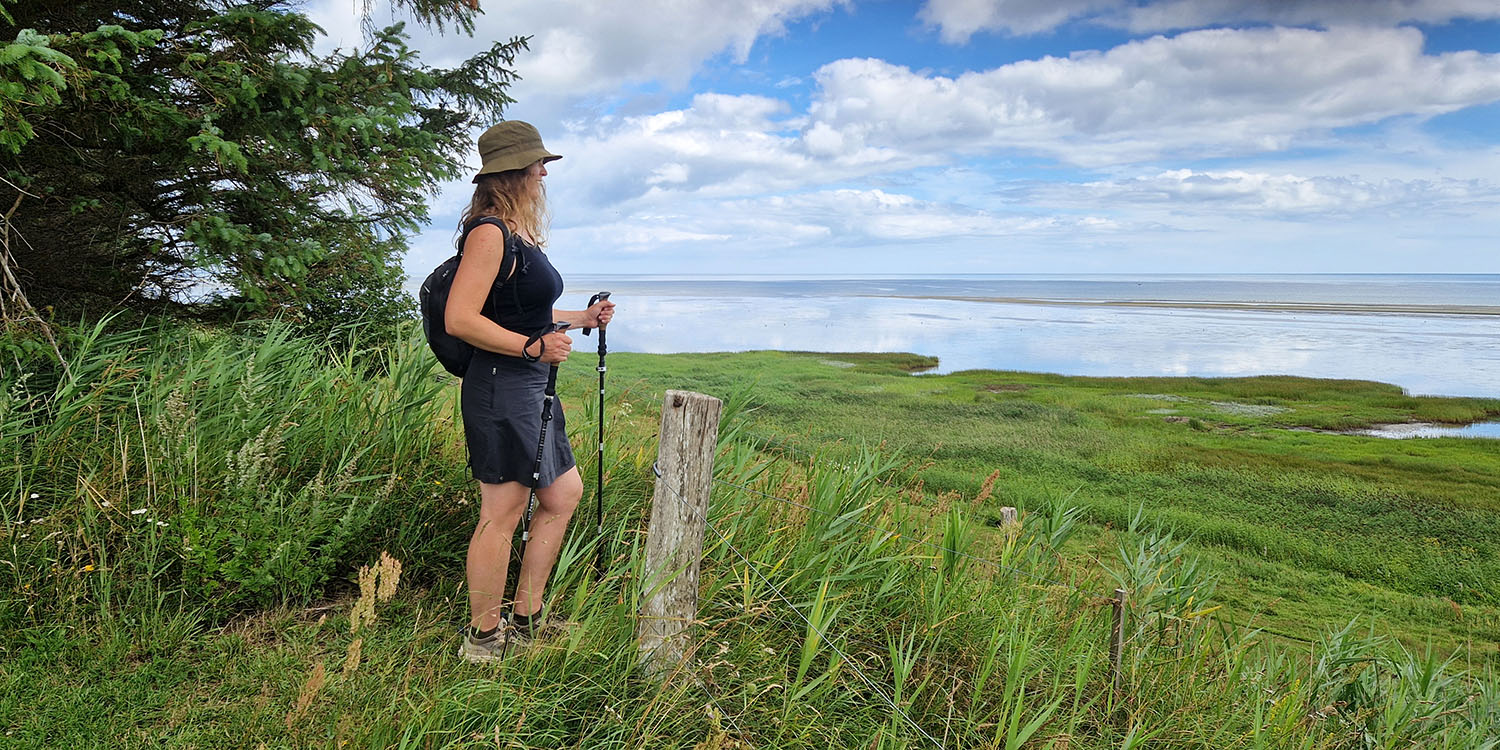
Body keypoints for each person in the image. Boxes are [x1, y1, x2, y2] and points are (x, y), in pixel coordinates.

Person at [444, 120, 615, 662]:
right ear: (513, 171)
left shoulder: (516, 234)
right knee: (503, 509)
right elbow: (460, 319)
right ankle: (484, 637)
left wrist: (581, 318)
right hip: (500, 386)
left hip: (529, 385)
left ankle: (528, 616)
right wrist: (531, 349)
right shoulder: (489, 232)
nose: (544, 172)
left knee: (562, 495)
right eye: (538, 164)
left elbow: (525, 311)